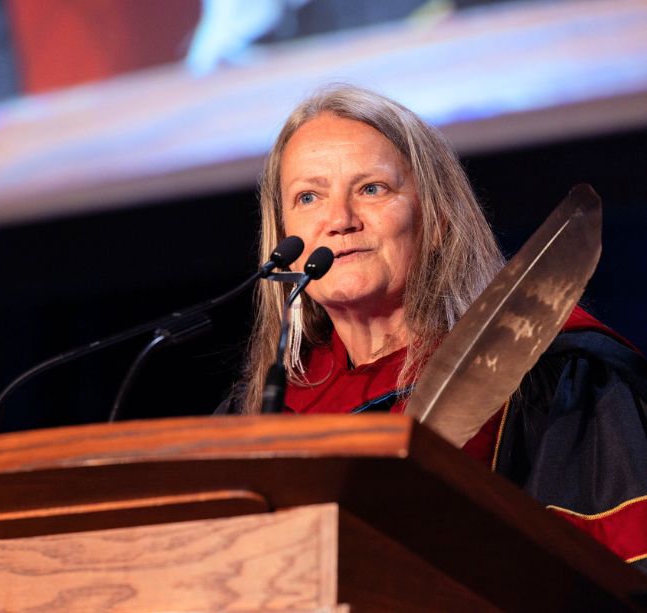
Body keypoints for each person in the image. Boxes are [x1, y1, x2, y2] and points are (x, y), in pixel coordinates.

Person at [218, 85, 647, 573]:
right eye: (308, 196)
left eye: (371, 189)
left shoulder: (553, 378)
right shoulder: (259, 408)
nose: (338, 220)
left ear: (439, 218)